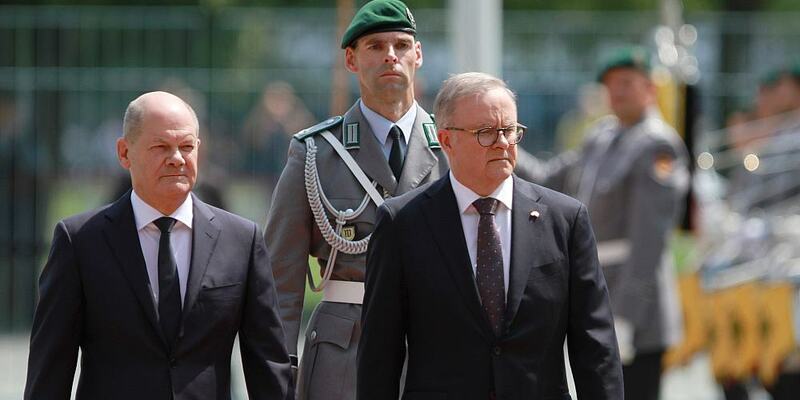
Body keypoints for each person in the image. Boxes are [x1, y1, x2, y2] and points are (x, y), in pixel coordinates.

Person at [358, 72, 623, 400]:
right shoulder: (402, 223)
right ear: (447, 140)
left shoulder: (565, 219)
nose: (502, 142)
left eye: (509, 131)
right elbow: (380, 353)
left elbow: (595, 348)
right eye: (485, 132)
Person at [24, 91, 291, 400]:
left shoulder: (241, 241)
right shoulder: (80, 242)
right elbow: (50, 368)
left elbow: (268, 366)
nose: (177, 158)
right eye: (161, 146)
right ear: (125, 153)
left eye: (186, 147)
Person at [264, 1, 448, 399]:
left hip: (435, 341)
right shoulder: (315, 153)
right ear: (351, 59)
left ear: (418, 54)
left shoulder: (452, 146)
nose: (390, 57)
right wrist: (278, 376)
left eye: (401, 45)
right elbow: (282, 278)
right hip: (345, 346)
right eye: (375, 46)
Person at [515, 46, 690, 400]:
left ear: (650, 88)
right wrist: (502, 144)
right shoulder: (601, 137)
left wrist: (626, 317)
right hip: (596, 294)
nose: (618, 91)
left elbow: (649, 241)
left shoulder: (657, 145)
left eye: (627, 82)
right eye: (611, 84)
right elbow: (549, 180)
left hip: (634, 309)